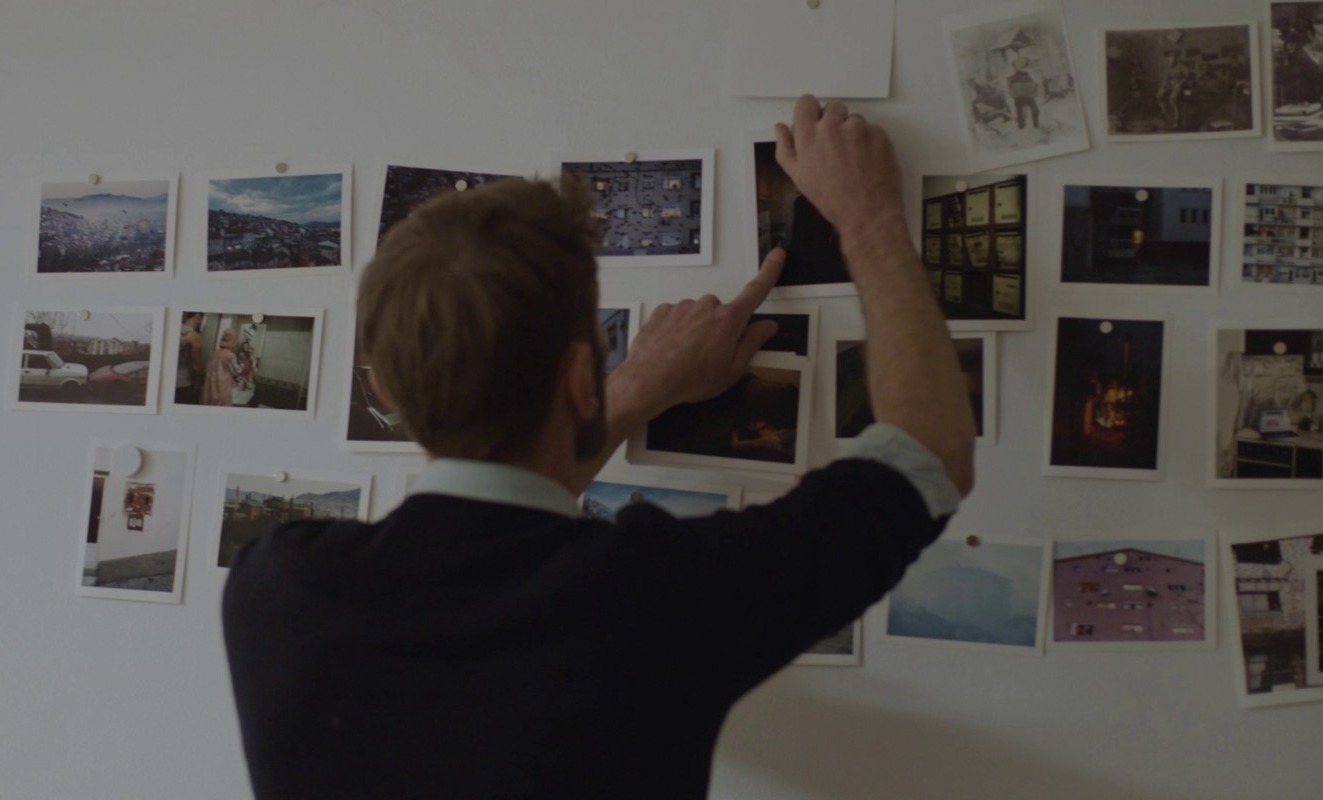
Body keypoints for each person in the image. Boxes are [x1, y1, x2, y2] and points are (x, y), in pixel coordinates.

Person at [222, 96, 975, 799]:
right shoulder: (656, 599)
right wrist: (870, 220)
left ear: (384, 388)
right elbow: (929, 454)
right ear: (583, 378)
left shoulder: (277, 593)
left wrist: (637, 386)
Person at [200, 328, 240, 406]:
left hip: (209, 391)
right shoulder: (230, 356)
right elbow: (236, 372)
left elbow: (206, 370)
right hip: (222, 391)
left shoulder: (213, 354)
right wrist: (241, 366)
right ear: (233, 342)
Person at [175, 312, 205, 405]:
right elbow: (196, 367)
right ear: (198, 316)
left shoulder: (173, 329)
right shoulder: (194, 337)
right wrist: (197, 384)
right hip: (184, 384)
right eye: (203, 319)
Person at [1006, 56, 1040, 129]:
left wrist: (1033, 87)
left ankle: (1036, 126)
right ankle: (1021, 128)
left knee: (1036, 111)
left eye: (1018, 66)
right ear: (1014, 67)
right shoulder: (1012, 78)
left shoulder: (1026, 75)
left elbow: (1031, 84)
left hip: (1028, 97)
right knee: (1020, 116)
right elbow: (1011, 90)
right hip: (1019, 99)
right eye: (1015, 66)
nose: (1017, 68)